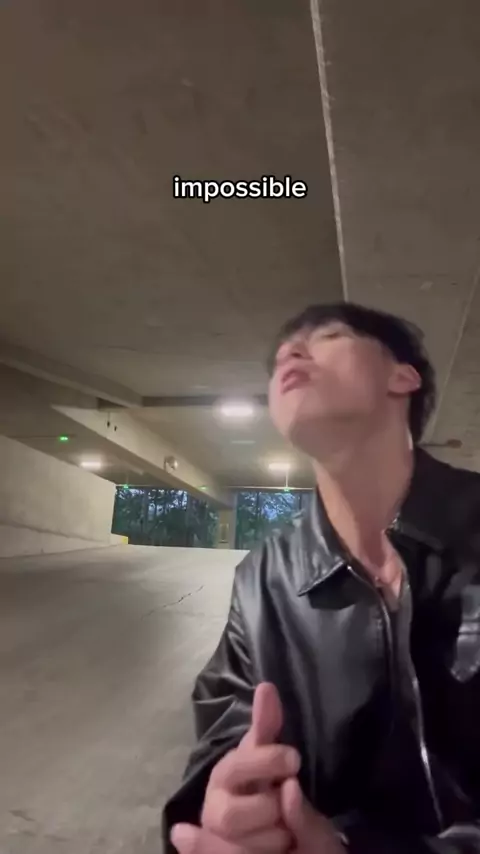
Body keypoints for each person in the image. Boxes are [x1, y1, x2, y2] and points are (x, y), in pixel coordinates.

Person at [163, 303, 480, 854]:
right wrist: (232, 806)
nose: (290, 352)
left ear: (402, 377)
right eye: (281, 356)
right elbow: (225, 738)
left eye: (328, 336)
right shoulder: (263, 581)